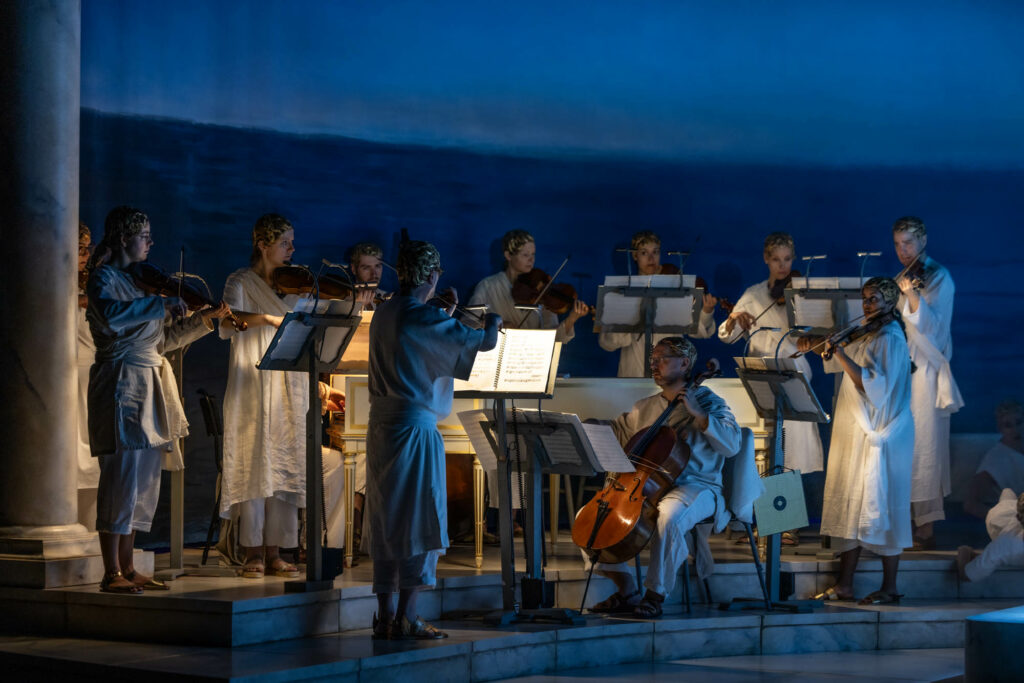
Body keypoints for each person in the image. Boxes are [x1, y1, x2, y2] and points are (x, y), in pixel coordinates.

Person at [86, 206, 230, 593]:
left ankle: (130, 566)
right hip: (122, 383)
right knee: (121, 475)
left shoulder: (142, 285)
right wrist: (161, 304)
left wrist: (203, 320)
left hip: (150, 380)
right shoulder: (103, 279)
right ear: (123, 239)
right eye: (144, 235)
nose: (151, 243)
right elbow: (111, 317)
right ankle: (110, 571)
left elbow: (162, 342)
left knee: (144, 481)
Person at [366, 240, 500, 639]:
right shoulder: (422, 317)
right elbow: (484, 342)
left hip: (382, 430)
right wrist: (492, 319)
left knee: (386, 520)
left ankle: (386, 616)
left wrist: (443, 311)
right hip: (415, 430)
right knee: (420, 518)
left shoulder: (386, 313)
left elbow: (422, 338)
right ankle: (409, 616)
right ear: (430, 275)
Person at [219, 213, 344, 578]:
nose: (293, 249)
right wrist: (267, 319)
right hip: (253, 384)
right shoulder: (240, 281)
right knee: (256, 461)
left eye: (292, 242)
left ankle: (276, 550)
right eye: (285, 243)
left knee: (285, 463)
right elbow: (226, 320)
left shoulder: (294, 287)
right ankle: (252, 551)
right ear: (263, 244)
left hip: (287, 386)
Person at [588, 337, 742, 618]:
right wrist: (593, 425)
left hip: (699, 486)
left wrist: (698, 413)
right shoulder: (644, 407)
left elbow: (732, 444)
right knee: (594, 518)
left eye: (661, 358)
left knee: (669, 515)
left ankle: (655, 595)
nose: (654, 364)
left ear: (684, 364)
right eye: (653, 359)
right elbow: (620, 431)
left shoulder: (709, 402)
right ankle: (626, 589)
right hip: (649, 486)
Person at [805, 277, 914, 605]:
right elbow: (841, 359)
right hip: (856, 431)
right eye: (865, 299)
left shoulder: (891, 338)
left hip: (881, 433)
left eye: (876, 300)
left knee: (885, 508)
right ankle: (845, 585)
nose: (868, 306)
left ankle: (890, 587)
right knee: (851, 505)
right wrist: (827, 345)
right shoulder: (869, 332)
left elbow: (872, 386)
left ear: (891, 302)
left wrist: (839, 354)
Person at [719, 232, 825, 544]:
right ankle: (760, 518)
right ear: (766, 259)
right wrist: (735, 319)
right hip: (759, 375)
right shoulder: (753, 294)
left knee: (790, 448)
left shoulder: (800, 293)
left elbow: (815, 332)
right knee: (762, 450)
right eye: (776, 260)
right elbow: (727, 336)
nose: (782, 266)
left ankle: (786, 522)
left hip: (791, 372)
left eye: (788, 260)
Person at [892, 216, 964, 549]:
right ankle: (904, 519)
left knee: (927, 449)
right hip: (904, 369)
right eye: (897, 244)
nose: (903, 250)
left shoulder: (939, 278)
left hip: (927, 369)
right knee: (906, 445)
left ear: (923, 241)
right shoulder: (902, 278)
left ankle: (926, 527)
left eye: (908, 243)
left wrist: (913, 296)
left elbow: (935, 328)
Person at [600, 230, 718, 377]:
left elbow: (697, 330)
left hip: (671, 375)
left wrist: (706, 311)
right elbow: (607, 343)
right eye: (644, 253)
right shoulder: (622, 292)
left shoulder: (676, 288)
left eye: (655, 252)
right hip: (634, 374)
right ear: (635, 256)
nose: (651, 258)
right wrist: (632, 323)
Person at [468, 229, 588, 342]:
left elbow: (554, 335)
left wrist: (571, 319)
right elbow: (468, 324)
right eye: (525, 255)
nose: (531, 260)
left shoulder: (542, 288)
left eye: (533, 254)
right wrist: (497, 325)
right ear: (508, 255)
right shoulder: (487, 286)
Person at [76, 221, 100, 530]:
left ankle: (92, 531)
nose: (85, 256)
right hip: (69, 376)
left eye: (87, 249)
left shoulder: (92, 285)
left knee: (93, 459)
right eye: (80, 249)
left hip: (93, 374)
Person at [965, 400, 1024, 520]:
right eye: (1008, 425)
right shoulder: (996, 458)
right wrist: (1007, 521)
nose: (1015, 429)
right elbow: (970, 504)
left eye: (1019, 422)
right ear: (1000, 428)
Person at [958, 490, 1024, 583]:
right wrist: (965, 551)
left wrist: (965, 552)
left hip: (1013, 510)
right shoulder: (1007, 545)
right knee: (1006, 492)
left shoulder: (1007, 545)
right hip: (1000, 514)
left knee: (1008, 491)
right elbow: (967, 574)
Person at [348, 241, 388, 311]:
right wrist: (357, 307)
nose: (374, 274)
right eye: (366, 268)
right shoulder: (345, 303)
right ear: (353, 269)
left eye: (377, 266)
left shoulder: (387, 298)